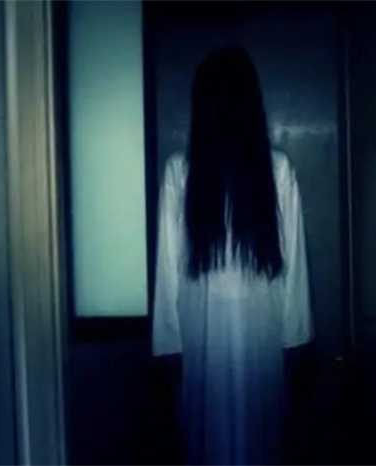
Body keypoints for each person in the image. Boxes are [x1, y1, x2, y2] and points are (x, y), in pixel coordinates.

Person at [152, 46, 312, 465]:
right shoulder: (183, 172)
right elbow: (167, 272)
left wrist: (169, 345)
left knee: (229, 436)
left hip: (226, 337)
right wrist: (294, 338)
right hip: (229, 337)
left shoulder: (273, 170)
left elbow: (294, 264)